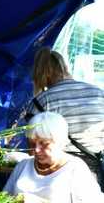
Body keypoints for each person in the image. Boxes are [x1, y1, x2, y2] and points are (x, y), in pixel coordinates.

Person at [4, 112, 103, 203]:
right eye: (32, 143)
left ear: (60, 142)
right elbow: (3, 202)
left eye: (44, 143)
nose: (36, 150)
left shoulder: (75, 168)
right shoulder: (23, 166)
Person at [23, 47, 104, 177]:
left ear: (41, 74)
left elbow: (33, 147)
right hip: (98, 168)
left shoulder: (42, 101)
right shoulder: (99, 93)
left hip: (61, 172)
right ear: (65, 67)